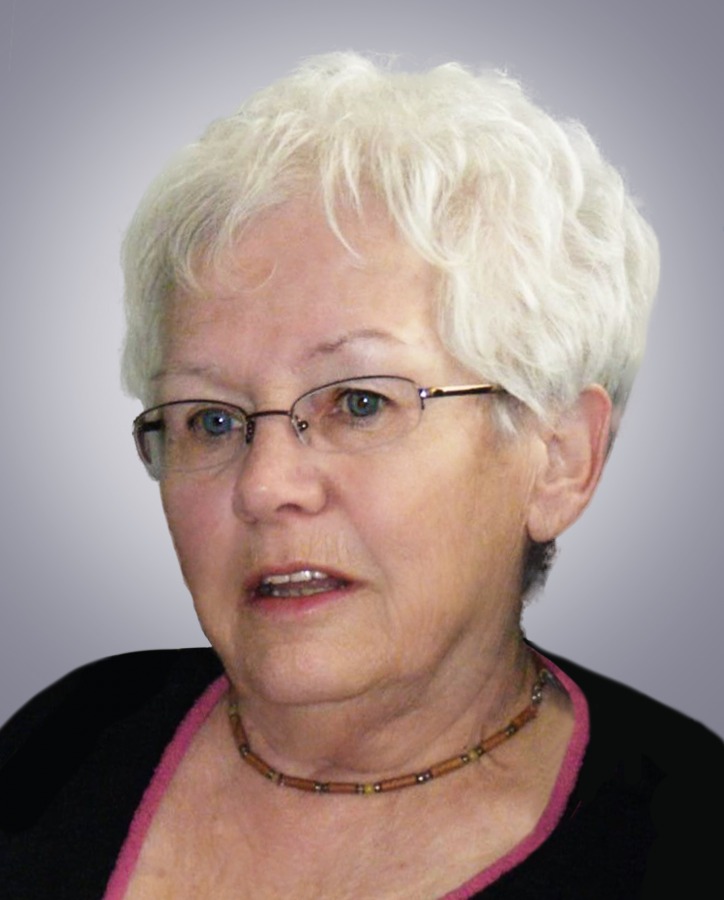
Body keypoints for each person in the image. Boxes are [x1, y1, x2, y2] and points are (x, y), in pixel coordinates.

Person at [1, 52, 721, 899]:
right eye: (212, 419)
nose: (264, 486)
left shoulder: (686, 841)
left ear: (559, 458)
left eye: (360, 403)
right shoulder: (68, 737)